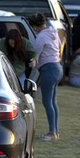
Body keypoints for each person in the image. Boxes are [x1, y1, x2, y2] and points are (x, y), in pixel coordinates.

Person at [30, 13, 63, 142]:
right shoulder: (53, 32)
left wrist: (32, 63)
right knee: (53, 102)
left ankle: (52, 132)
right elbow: (59, 47)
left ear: (35, 26)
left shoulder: (41, 37)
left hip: (48, 69)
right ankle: (55, 131)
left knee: (47, 102)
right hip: (57, 67)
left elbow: (36, 56)